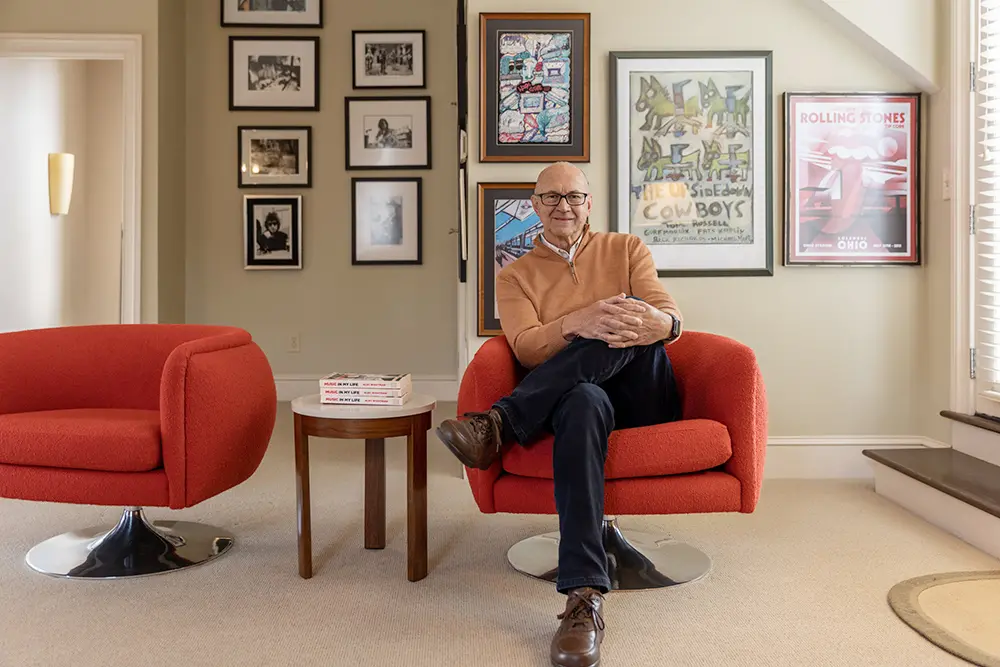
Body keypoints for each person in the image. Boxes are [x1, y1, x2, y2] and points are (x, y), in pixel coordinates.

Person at [436, 162, 684, 667]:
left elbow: (664, 314)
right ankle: (584, 596)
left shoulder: (627, 249)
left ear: (589, 202)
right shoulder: (514, 275)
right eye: (550, 198)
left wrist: (661, 322)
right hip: (574, 404)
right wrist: (577, 322)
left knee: (626, 314)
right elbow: (526, 349)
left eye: (573, 196)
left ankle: (499, 424)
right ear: (534, 206)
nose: (563, 206)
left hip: (642, 394)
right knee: (583, 399)